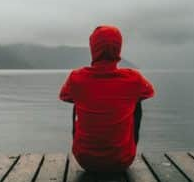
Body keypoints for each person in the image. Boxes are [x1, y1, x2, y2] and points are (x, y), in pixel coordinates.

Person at [59, 25, 155, 172]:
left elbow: (65, 96)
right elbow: (149, 92)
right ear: (118, 48)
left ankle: (82, 146)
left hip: (85, 160)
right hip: (121, 161)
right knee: (137, 100)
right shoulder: (133, 78)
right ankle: (129, 148)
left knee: (77, 100)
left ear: (93, 48)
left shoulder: (76, 78)